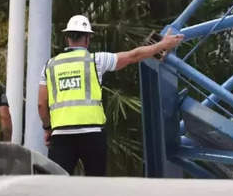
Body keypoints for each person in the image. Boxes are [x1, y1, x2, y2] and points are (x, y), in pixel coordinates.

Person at [38, 14, 183, 176]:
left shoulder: (49, 66)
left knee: (57, 187)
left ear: (67, 38)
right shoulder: (96, 60)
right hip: (92, 135)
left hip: (61, 136)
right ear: (87, 39)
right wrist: (162, 44)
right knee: (96, 185)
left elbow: (41, 104)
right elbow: (133, 56)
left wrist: (47, 128)